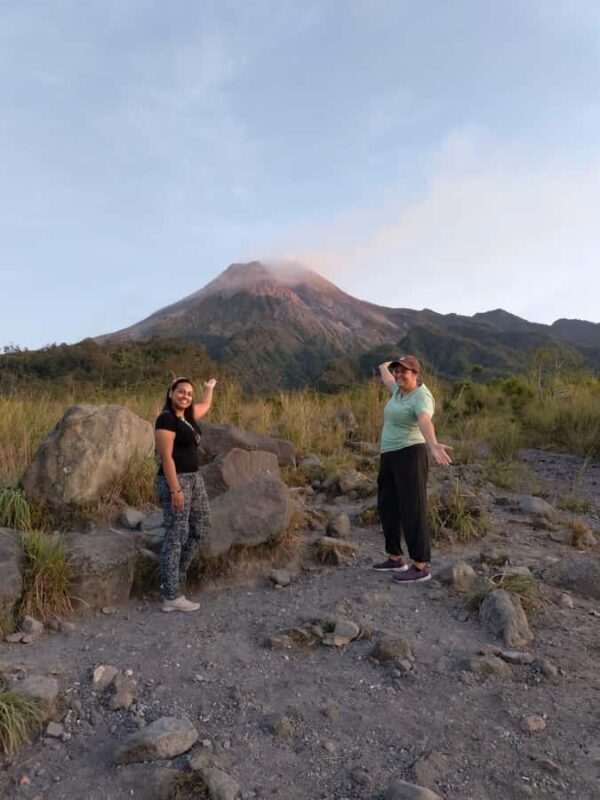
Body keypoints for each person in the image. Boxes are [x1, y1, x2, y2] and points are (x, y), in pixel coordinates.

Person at [373, 356, 452, 583]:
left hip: (410, 454)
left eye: (404, 372)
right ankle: (396, 558)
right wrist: (391, 362)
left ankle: (420, 565)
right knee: (387, 506)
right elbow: (384, 372)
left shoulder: (421, 396)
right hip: (389, 456)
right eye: (397, 372)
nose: (398, 375)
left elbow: (425, 420)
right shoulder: (398, 391)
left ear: (416, 375)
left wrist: (433, 444)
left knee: (412, 507)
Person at [154, 376, 217, 612]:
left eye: (189, 394)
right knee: (177, 533)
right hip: (176, 480)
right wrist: (175, 489)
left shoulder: (187, 418)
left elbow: (205, 406)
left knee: (201, 526)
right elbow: (166, 457)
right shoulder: (166, 420)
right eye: (181, 392)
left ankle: (176, 576)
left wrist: (208, 389)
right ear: (171, 393)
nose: (185, 396)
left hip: (195, 478)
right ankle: (171, 596)